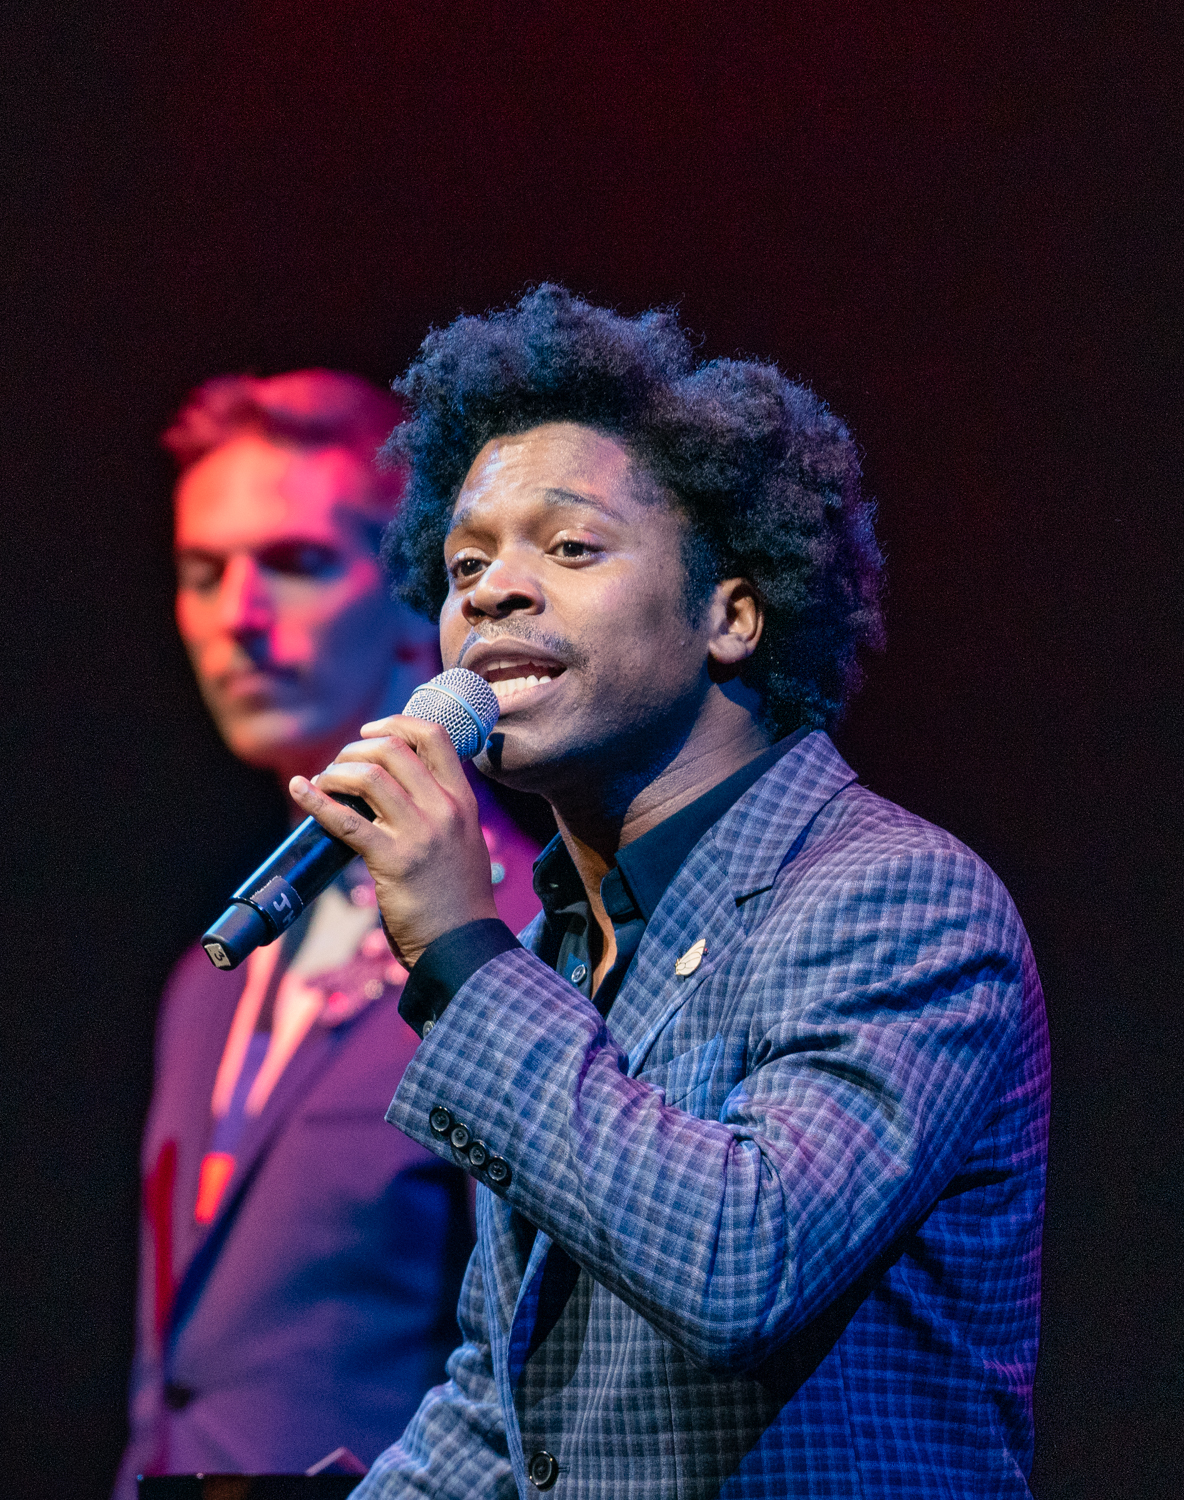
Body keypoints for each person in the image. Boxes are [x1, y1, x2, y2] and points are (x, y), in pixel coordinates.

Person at [288, 287, 1050, 1499]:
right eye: (465, 563)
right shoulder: (551, 950)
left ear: (732, 614)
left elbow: (744, 1261)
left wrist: (463, 955)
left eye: (571, 547)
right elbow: (506, 1415)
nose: (491, 592)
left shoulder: (895, 898)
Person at [113, 370, 545, 1496]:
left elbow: (533, 1369)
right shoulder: (211, 970)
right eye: (202, 572)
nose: (237, 614)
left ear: (415, 598)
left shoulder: (516, 935)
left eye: (293, 563)